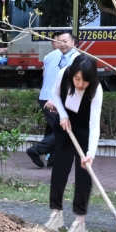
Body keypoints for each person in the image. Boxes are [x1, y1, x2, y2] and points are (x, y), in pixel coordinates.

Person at [43, 56, 103, 232]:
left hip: (84, 128)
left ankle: (80, 221)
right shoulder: (64, 73)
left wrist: (90, 154)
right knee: (59, 169)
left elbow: (94, 125)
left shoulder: (96, 90)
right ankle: (56, 214)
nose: (80, 84)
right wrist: (62, 115)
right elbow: (55, 94)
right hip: (65, 124)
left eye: (85, 81)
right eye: (77, 79)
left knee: (84, 172)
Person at [27, 31, 78, 168]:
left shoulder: (56, 56)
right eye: (60, 41)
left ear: (73, 42)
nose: (62, 44)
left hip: (48, 97)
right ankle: (36, 150)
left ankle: (53, 159)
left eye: (65, 41)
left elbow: (45, 75)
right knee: (63, 130)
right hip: (54, 99)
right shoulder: (68, 57)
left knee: (53, 129)